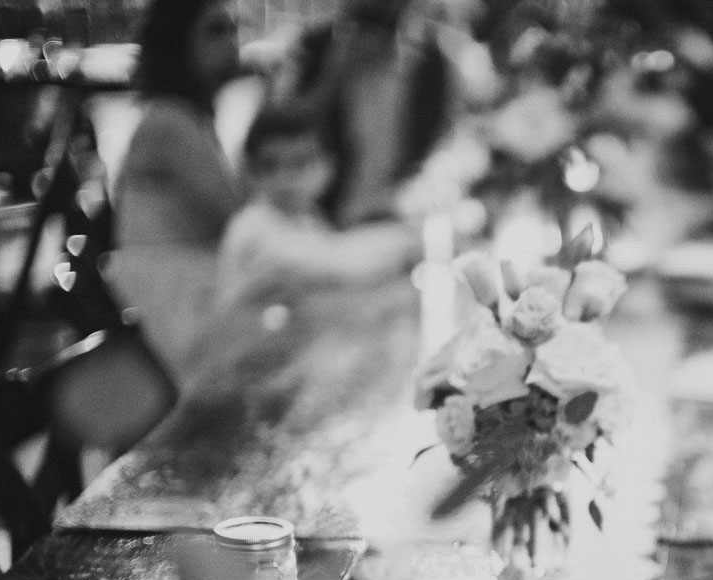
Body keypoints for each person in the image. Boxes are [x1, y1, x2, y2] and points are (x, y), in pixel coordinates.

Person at [109, 0, 244, 381]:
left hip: (186, 291)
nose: (233, 42)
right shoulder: (169, 121)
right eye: (216, 30)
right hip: (173, 303)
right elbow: (237, 217)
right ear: (177, 43)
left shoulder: (184, 117)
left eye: (233, 29)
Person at [215, 104, 422, 309]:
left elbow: (338, 253)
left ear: (327, 167)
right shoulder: (252, 225)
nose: (285, 177)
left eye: (300, 163)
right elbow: (335, 265)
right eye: (270, 165)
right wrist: (413, 241)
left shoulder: (308, 220)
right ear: (248, 171)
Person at [275, 0, 456, 227]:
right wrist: (334, 75)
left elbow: (440, 142)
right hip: (319, 219)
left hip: (393, 215)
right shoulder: (316, 48)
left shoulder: (429, 62)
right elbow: (281, 130)